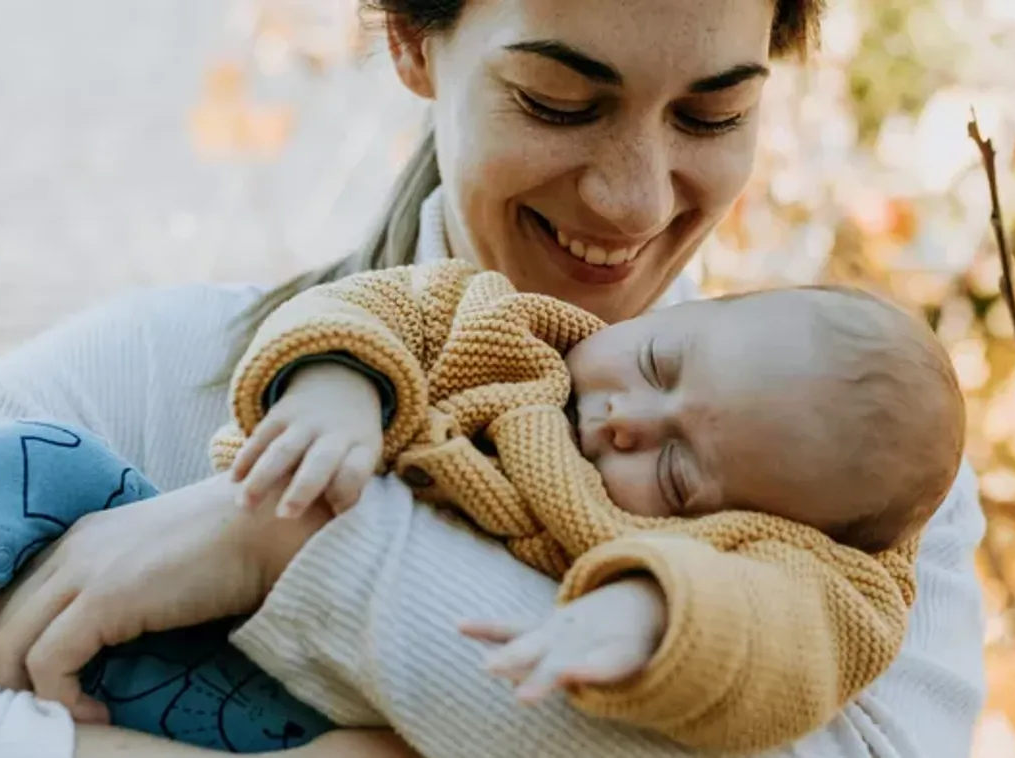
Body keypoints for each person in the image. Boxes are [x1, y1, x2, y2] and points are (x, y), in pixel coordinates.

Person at [0, 0, 987, 756]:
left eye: (714, 114)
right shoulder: (163, 371)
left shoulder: (848, 467)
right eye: (559, 100)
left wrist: (292, 547)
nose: (635, 201)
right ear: (412, 40)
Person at [212, 257, 966, 752]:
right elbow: (379, 306)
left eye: (675, 472)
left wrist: (657, 611)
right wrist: (338, 387)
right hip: (223, 612)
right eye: (656, 362)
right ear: (685, 313)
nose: (626, 419)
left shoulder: (800, 566)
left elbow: (790, 629)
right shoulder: (507, 330)